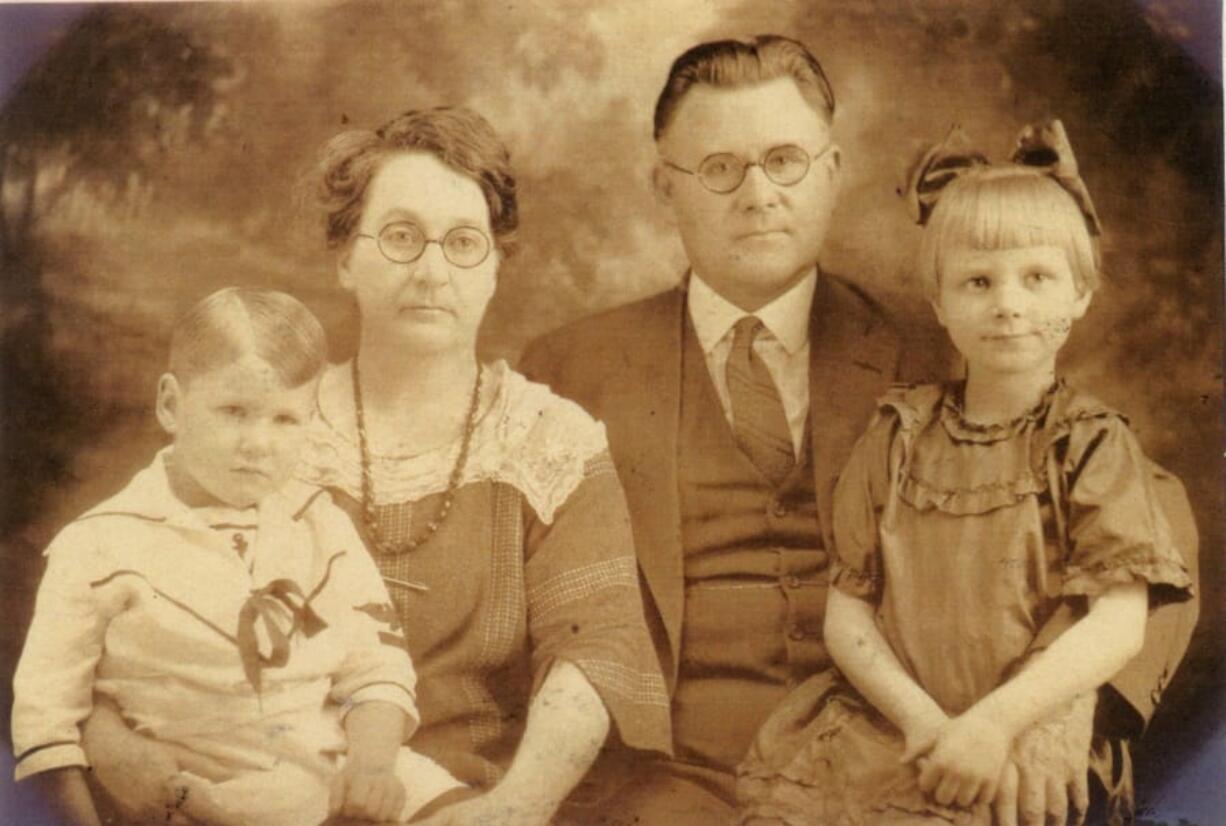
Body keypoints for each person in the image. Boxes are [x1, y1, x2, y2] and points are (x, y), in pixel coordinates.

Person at [520, 37, 1200, 825]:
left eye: (785, 160)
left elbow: (1154, 516)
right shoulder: (570, 367)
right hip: (665, 784)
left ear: (834, 171)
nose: (758, 194)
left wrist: (1064, 699)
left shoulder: (942, 333)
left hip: (899, 766)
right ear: (661, 185)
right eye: (718, 168)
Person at [81, 106, 671, 826]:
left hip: (474, 801)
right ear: (346, 259)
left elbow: (595, 648)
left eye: (462, 243)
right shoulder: (265, 434)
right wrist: (123, 755)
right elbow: (110, 615)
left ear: (494, 268)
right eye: (400, 237)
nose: (431, 271)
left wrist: (513, 807)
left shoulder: (552, 443)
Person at [736, 121, 1195, 826]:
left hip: (1019, 732)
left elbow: (1120, 622)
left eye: (1037, 278)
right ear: (940, 305)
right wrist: (925, 725)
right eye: (978, 282)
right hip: (893, 731)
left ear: (1079, 295)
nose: (1008, 303)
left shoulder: (1090, 445)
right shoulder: (897, 435)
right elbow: (848, 610)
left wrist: (995, 726)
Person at [11, 287, 463, 826]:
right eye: (234, 412)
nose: (259, 444)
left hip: (338, 777)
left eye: (285, 420)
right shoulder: (97, 544)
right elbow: (47, 722)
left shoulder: (321, 524)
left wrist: (371, 767)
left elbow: (377, 669)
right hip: (203, 797)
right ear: (172, 405)